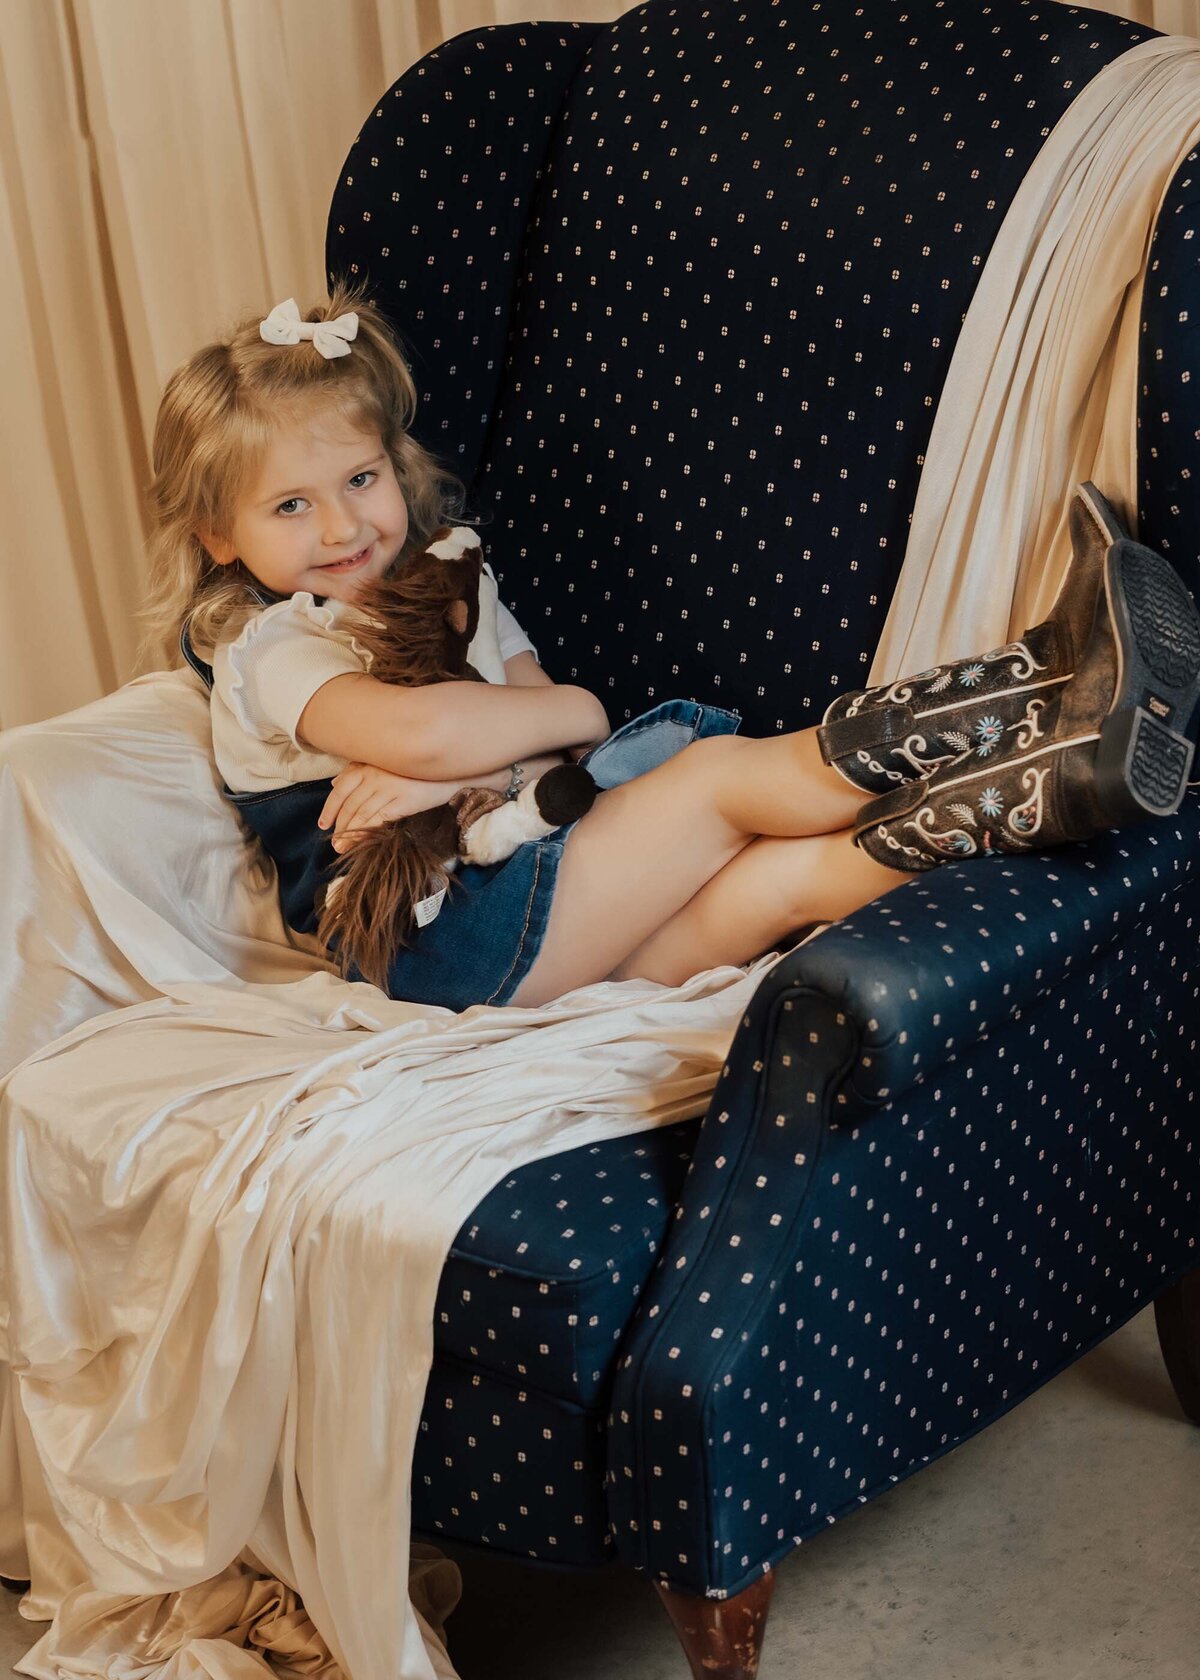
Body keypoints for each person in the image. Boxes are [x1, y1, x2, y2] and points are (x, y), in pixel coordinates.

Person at [139, 286, 1200, 1013]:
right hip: (434, 938)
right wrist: (479, 744)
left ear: (393, 464)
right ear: (220, 538)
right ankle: (1036, 686)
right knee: (716, 783)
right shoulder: (272, 647)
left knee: (774, 885)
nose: (342, 529)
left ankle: (1047, 782)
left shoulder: (455, 580)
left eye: (360, 480)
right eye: (291, 506)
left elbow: (563, 724)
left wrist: (472, 760)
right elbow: (438, 724)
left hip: (530, 906)